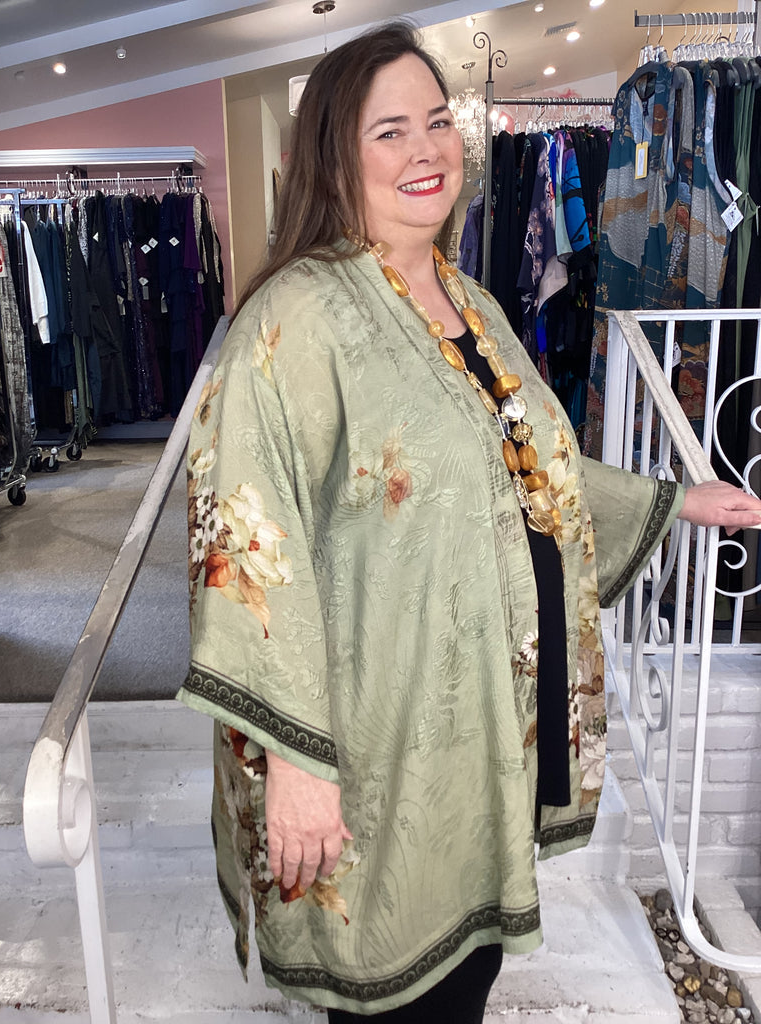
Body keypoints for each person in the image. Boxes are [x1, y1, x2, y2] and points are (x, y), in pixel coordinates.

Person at [177, 21, 761, 1022]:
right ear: (335, 156)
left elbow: (525, 471)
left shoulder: (468, 299)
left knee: (467, 976)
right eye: (390, 131)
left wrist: (671, 502)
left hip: (476, 732)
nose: (427, 150)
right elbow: (245, 550)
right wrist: (295, 764)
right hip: (371, 747)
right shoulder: (295, 319)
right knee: (395, 989)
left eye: (438, 121)